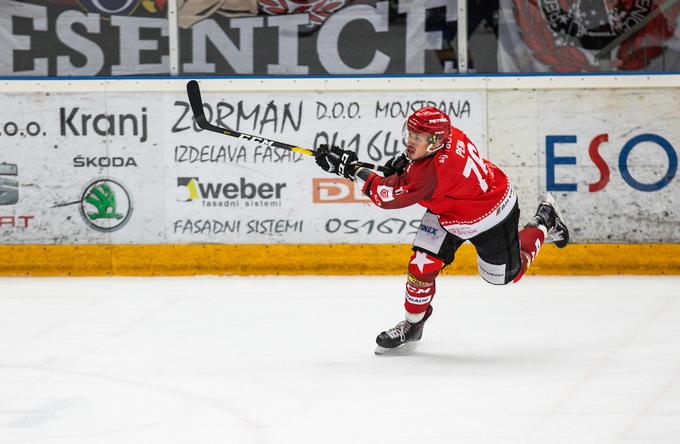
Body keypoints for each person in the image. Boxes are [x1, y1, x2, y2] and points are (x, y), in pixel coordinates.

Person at [314, 106, 569, 354]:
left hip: (491, 214)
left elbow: (386, 196)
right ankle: (413, 325)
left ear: (435, 142)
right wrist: (403, 163)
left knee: (503, 277)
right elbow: (414, 172)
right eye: (410, 135)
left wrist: (348, 169)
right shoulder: (448, 135)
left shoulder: (433, 174)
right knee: (421, 265)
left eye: (417, 138)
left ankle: (544, 221)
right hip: (448, 210)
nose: (410, 142)